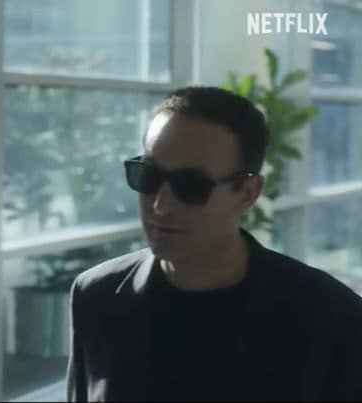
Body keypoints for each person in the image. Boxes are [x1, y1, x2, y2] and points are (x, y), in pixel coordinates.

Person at [67, 86, 362, 401]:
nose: (161, 206)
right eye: (148, 176)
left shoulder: (331, 319)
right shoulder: (97, 296)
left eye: (191, 185)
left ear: (247, 192)